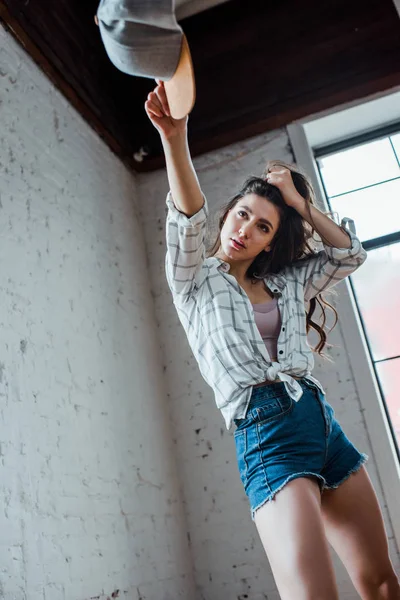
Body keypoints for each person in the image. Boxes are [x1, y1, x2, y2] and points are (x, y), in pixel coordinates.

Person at [145, 81, 400, 600]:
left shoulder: (286, 282)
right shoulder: (193, 277)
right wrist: (176, 137)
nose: (246, 229)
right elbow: (187, 216)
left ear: (269, 241)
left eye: (263, 226)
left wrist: (299, 204)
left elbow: (348, 255)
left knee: (381, 583)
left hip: (320, 421)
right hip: (264, 433)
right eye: (242, 214)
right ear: (228, 212)